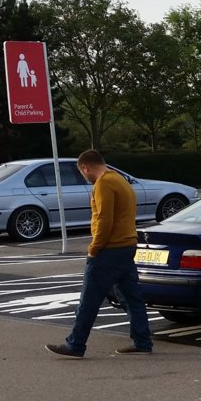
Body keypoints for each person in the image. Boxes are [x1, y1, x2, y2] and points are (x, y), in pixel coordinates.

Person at [45, 150, 152, 358]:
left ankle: (75, 345)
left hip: (109, 249)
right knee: (131, 298)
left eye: (82, 172)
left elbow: (104, 220)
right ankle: (142, 342)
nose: (84, 176)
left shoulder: (103, 184)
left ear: (85, 167)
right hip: (127, 245)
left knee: (89, 299)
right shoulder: (120, 179)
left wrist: (94, 248)